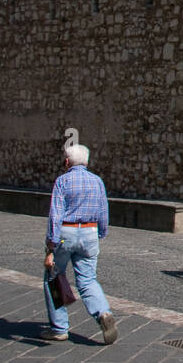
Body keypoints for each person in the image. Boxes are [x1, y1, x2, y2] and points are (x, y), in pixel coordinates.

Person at [41, 143, 117, 345]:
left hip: (66, 232)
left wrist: (50, 245)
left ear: (67, 161)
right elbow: (103, 210)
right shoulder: (97, 181)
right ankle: (103, 312)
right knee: (88, 280)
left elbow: (55, 216)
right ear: (87, 161)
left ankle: (59, 328)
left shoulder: (62, 181)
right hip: (90, 231)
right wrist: (101, 232)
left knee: (54, 277)